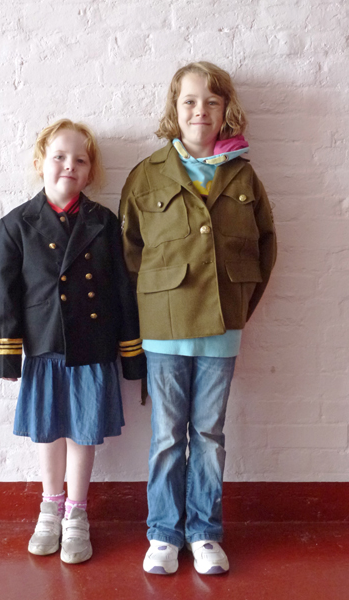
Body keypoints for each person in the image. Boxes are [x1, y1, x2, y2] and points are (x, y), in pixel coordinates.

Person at [119, 62, 277, 575]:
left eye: (211, 101)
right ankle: (164, 534)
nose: (200, 110)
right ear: (175, 108)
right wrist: (152, 307)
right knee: (167, 435)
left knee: (209, 434)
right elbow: (130, 251)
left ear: (226, 109)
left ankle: (204, 532)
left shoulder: (243, 175)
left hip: (221, 331)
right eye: (189, 101)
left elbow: (265, 247)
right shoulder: (147, 174)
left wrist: (238, 308)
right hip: (165, 331)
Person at [0, 118, 146, 564]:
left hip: (92, 348)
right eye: (59, 156)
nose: (69, 165)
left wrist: (131, 354)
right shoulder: (16, 224)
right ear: (41, 161)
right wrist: (5, 357)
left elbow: (122, 291)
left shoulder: (104, 222)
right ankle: (49, 508)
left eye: (80, 159)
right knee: (48, 431)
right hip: (44, 351)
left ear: (91, 171)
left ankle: (77, 513)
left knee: (83, 432)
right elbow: (4, 296)